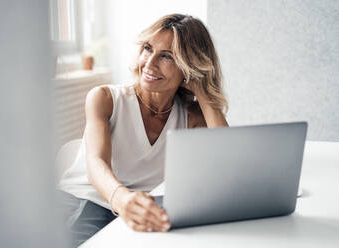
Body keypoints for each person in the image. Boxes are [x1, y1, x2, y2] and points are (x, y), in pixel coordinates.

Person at [58, 13, 229, 247]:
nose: (149, 64)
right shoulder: (105, 98)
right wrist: (122, 200)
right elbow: (96, 164)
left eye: (166, 56)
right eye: (148, 49)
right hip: (86, 200)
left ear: (189, 67)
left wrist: (204, 93)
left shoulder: (192, 117)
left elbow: (227, 166)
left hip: (139, 208)